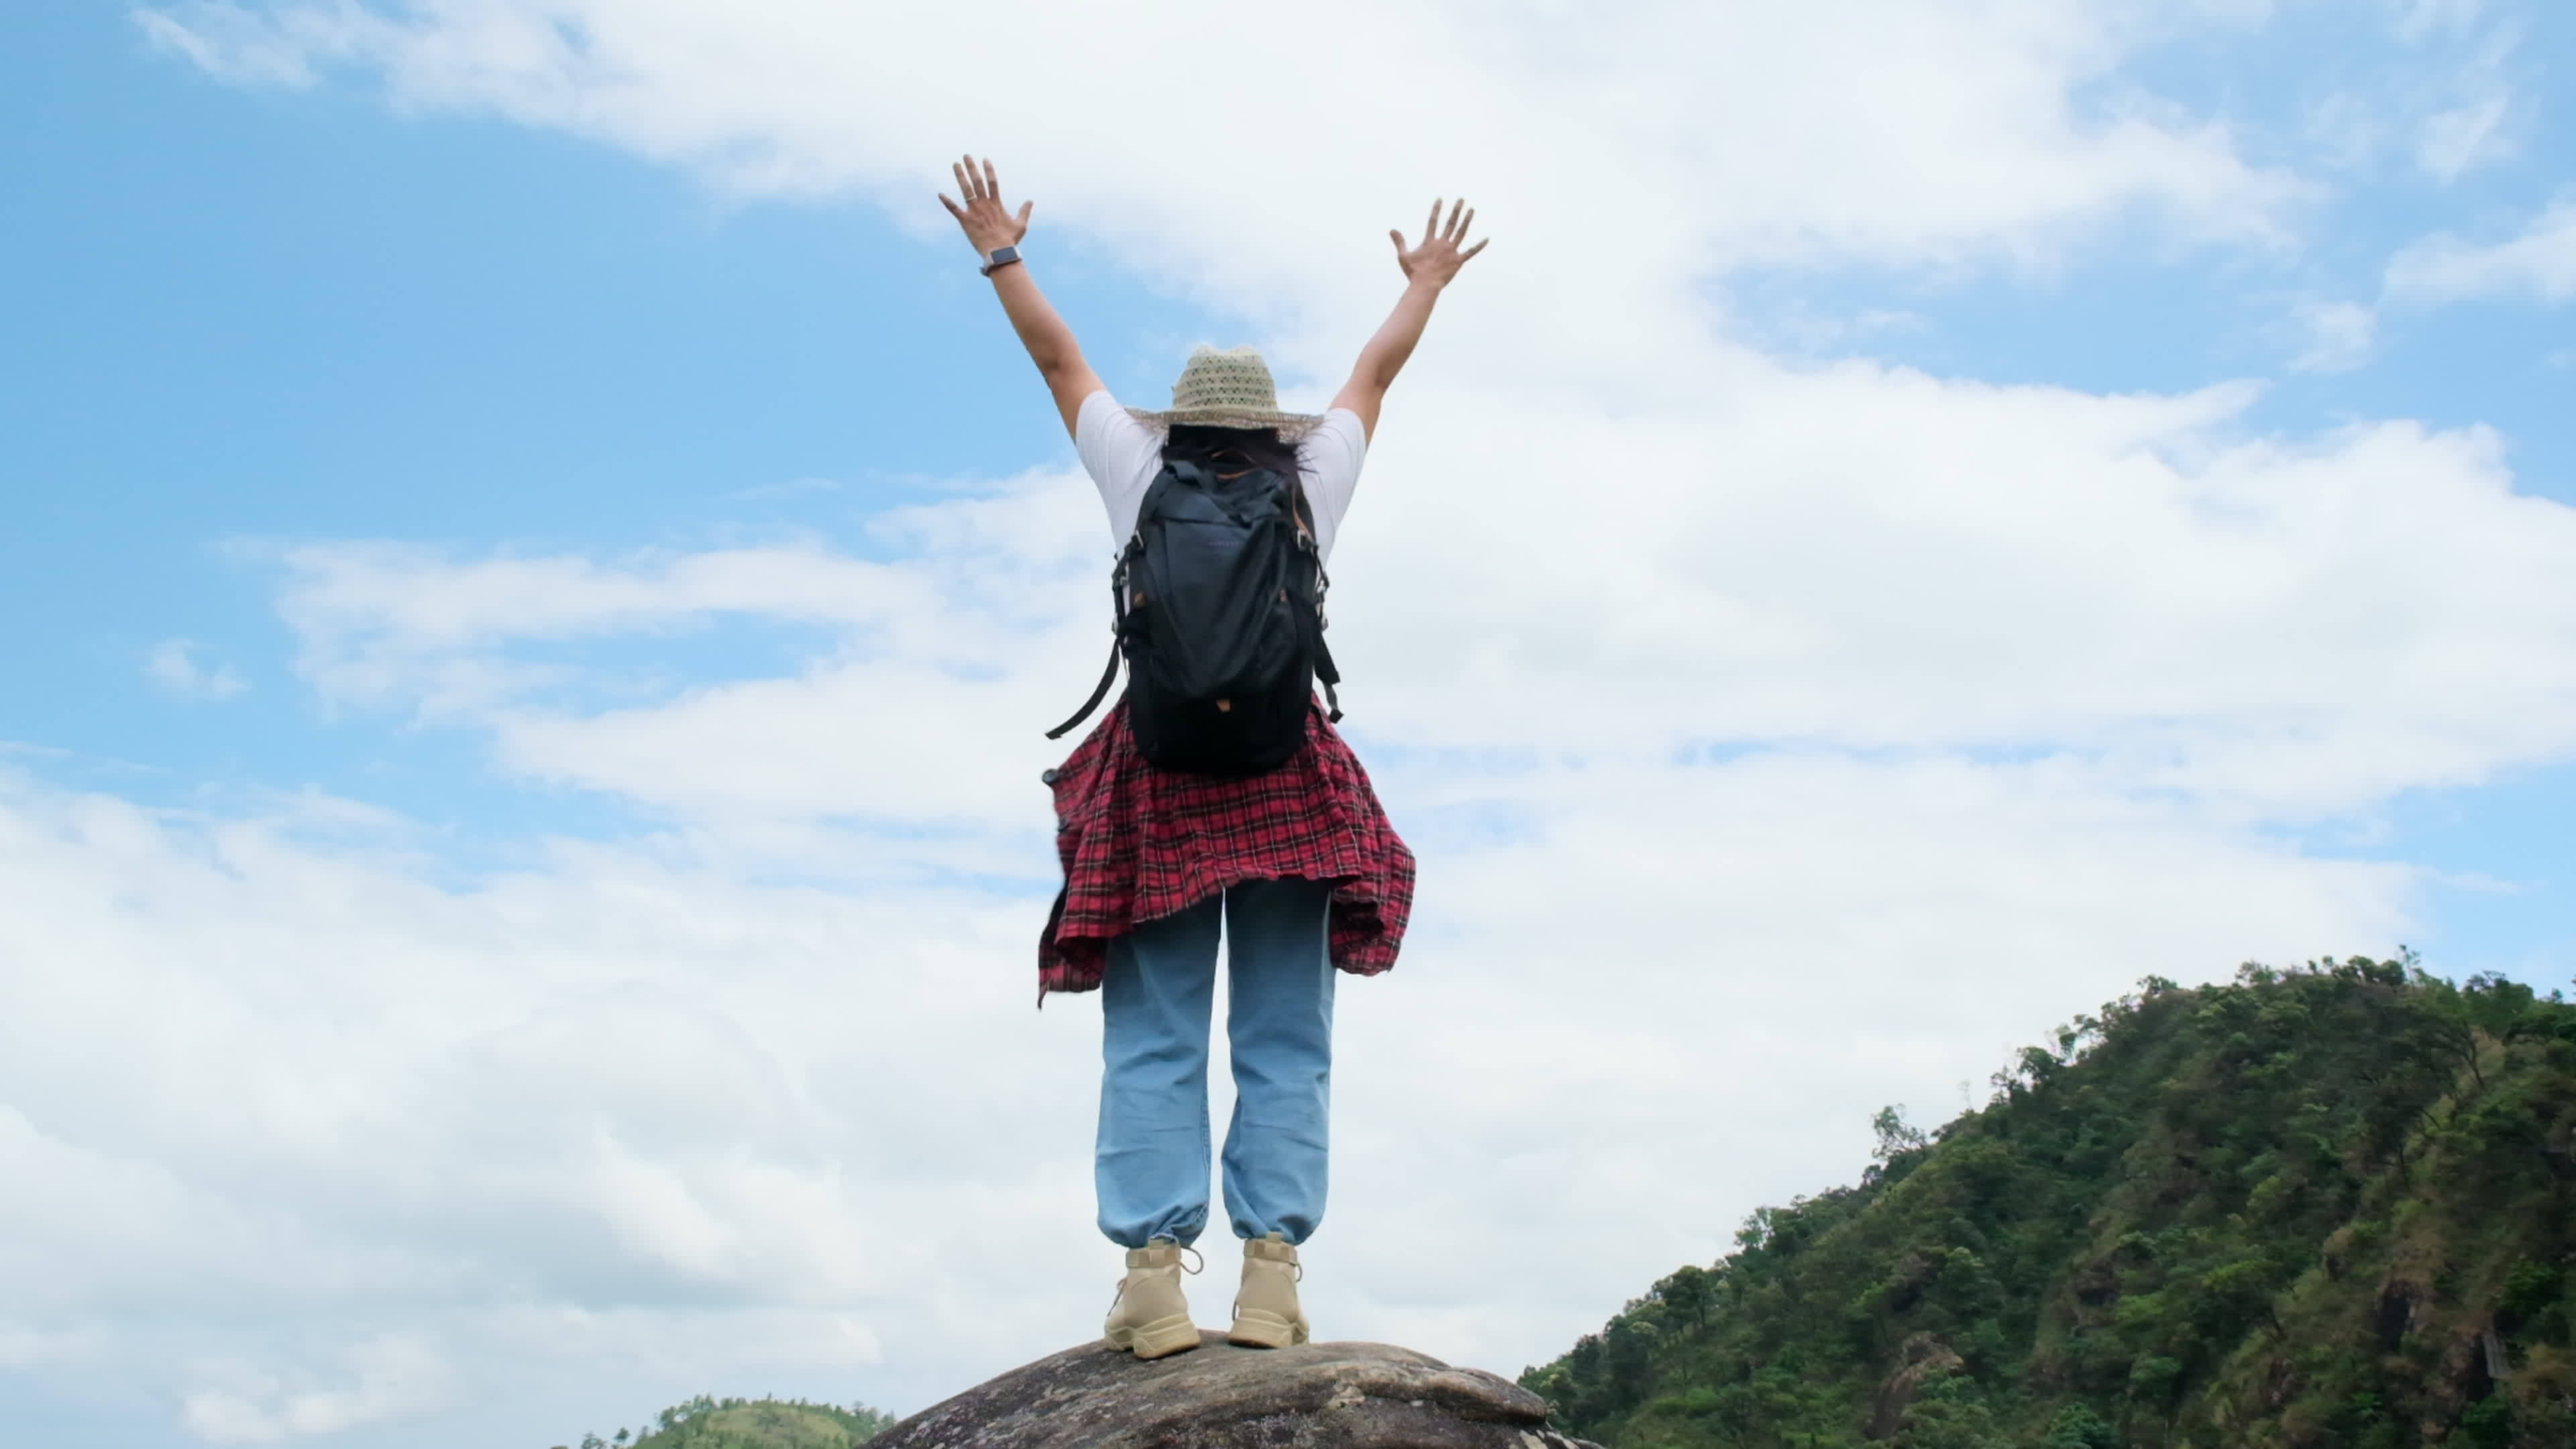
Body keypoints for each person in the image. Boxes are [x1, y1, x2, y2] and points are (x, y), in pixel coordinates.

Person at [938, 155, 1485, 1359]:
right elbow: (1376, 374)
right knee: (1287, 1037)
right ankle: (1272, 1283)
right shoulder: (1315, 478)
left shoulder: (1141, 478)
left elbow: (1058, 362)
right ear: (1271, 424)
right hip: (1291, 778)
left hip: (1161, 780)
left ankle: (1149, 1285)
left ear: (1180, 423)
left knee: (1156, 1032)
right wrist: (1427, 282)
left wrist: (1002, 252)